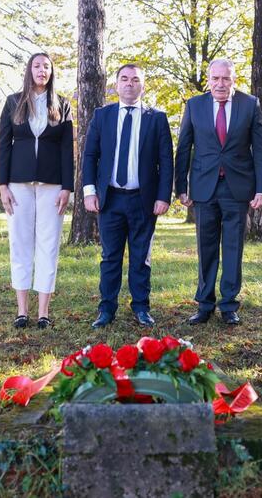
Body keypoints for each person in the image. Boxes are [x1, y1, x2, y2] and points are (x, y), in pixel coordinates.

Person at [174, 59, 262, 326]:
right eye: (215, 79)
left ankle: (229, 305)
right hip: (204, 188)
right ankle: (205, 304)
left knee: (232, 248)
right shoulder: (194, 105)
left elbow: (260, 149)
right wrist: (181, 187)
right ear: (208, 79)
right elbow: (184, 148)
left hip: (238, 188)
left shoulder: (249, 104)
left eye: (225, 79)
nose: (220, 84)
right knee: (206, 248)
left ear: (234, 80)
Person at [81, 64, 174, 328]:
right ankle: (106, 309)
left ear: (142, 85)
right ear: (117, 84)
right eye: (124, 79)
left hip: (143, 200)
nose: (129, 84)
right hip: (110, 198)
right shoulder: (103, 116)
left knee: (141, 257)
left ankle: (141, 307)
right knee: (110, 256)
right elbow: (90, 156)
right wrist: (90, 191)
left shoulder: (156, 118)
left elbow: (166, 161)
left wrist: (163, 196)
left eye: (135, 79)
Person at [0, 53, 74, 329]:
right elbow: (4, 144)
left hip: (52, 186)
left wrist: (68, 188)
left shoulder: (62, 105)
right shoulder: (13, 102)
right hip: (18, 184)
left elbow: (68, 150)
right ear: (29, 70)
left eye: (47, 66)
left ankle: (43, 312)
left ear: (52, 72)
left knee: (48, 244)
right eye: (37, 65)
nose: (42, 70)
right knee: (20, 243)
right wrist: (2, 184)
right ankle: (21, 310)